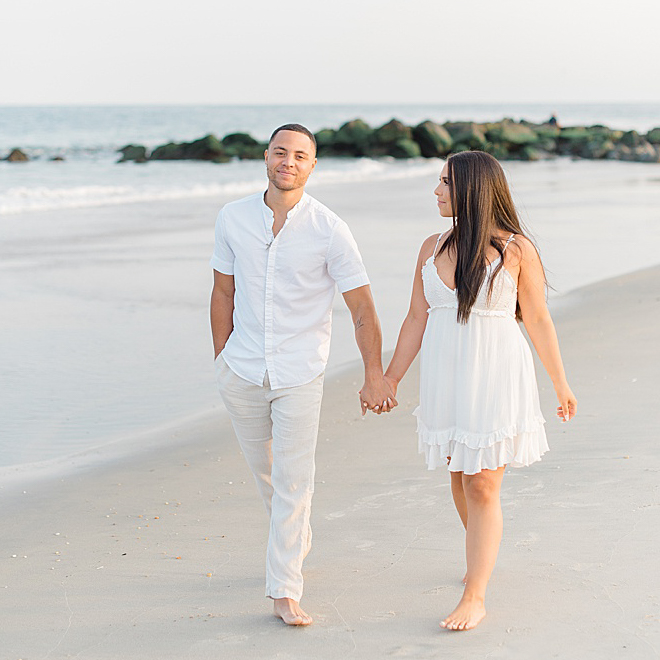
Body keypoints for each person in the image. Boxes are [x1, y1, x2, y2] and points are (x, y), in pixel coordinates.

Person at [381, 150, 577, 631]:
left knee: (482, 482)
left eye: (445, 182)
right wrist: (390, 378)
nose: (437, 190)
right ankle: (482, 554)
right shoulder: (431, 247)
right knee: (458, 473)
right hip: (447, 376)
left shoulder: (516, 250)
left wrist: (560, 382)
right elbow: (414, 319)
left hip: (496, 375)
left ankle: (476, 592)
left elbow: (538, 319)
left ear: (471, 188)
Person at [209, 124, 396, 626]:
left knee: (295, 479)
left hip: (299, 373)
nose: (288, 161)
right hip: (242, 369)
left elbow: (362, 308)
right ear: (266, 158)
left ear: (313, 166)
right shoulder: (233, 218)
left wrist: (373, 374)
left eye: (299, 155)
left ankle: (285, 589)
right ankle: (293, 542)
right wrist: (220, 357)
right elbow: (223, 292)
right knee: (266, 476)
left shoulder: (330, 229)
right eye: (280, 152)